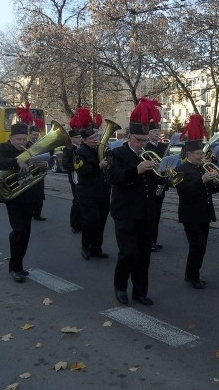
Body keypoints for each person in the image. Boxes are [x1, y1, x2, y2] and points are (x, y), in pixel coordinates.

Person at [108, 97, 163, 306]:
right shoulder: (117, 153)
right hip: (125, 212)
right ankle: (120, 286)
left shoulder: (151, 153)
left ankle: (140, 291)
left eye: (145, 140)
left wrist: (164, 173)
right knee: (128, 253)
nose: (143, 144)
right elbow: (113, 178)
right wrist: (136, 171)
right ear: (130, 137)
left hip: (146, 212)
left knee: (144, 256)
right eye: (139, 140)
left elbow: (156, 179)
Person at [0, 123, 46, 282]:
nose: (22, 142)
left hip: (30, 194)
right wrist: (16, 162)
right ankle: (15, 266)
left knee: (26, 232)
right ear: (11, 138)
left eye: (24, 138)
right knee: (19, 231)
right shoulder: (4, 148)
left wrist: (44, 164)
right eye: (18, 139)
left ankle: (18, 264)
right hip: (14, 197)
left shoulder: (31, 147)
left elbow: (42, 162)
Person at [176, 115, 219, 289]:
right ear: (189, 154)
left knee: (201, 246)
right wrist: (202, 180)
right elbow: (184, 191)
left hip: (204, 213)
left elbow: (213, 191)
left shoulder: (203, 166)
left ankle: (191, 273)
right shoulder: (181, 168)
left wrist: (214, 182)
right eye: (198, 154)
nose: (202, 157)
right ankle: (193, 276)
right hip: (190, 214)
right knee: (198, 245)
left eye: (202, 153)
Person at [75, 115, 110, 260]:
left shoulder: (100, 149)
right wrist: (98, 166)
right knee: (90, 221)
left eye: (95, 137)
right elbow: (81, 171)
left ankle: (97, 248)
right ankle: (85, 246)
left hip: (102, 191)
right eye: (91, 139)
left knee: (101, 221)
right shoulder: (79, 152)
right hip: (87, 193)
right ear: (83, 140)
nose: (95, 140)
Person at [146, 121, 168, 251]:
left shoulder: (163, 146)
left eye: (158, 131)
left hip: (161, 184)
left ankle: (154, 240)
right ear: (148, 133)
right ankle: (149, 241)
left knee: (157, 215)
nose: (157, 133)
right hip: (151, 184)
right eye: (154, 131)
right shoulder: (146, 147)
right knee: (150, 216)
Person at [63, 118, 84, 234]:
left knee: (82, 200)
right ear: (71, 139)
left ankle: (81, 222)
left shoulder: (82, 147)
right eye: (77, 137)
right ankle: (74, 224)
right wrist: (77, 165)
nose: (79, 139)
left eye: (80, 137)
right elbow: (66, 164)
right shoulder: (68, 149)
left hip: (82, 177)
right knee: (76, 201)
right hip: (74, 177)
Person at [27, 125, 47, 221]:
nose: (35, 136)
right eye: (34, 135)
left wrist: (45, 163)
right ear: (29, 134)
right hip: (30, 173)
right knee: (31, 193)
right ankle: (30, 213)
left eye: (37, 135)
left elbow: (46, 156)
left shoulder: (40, 145)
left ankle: (38, 214)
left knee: (40, 194)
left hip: (39, 172)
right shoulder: (26, 145)